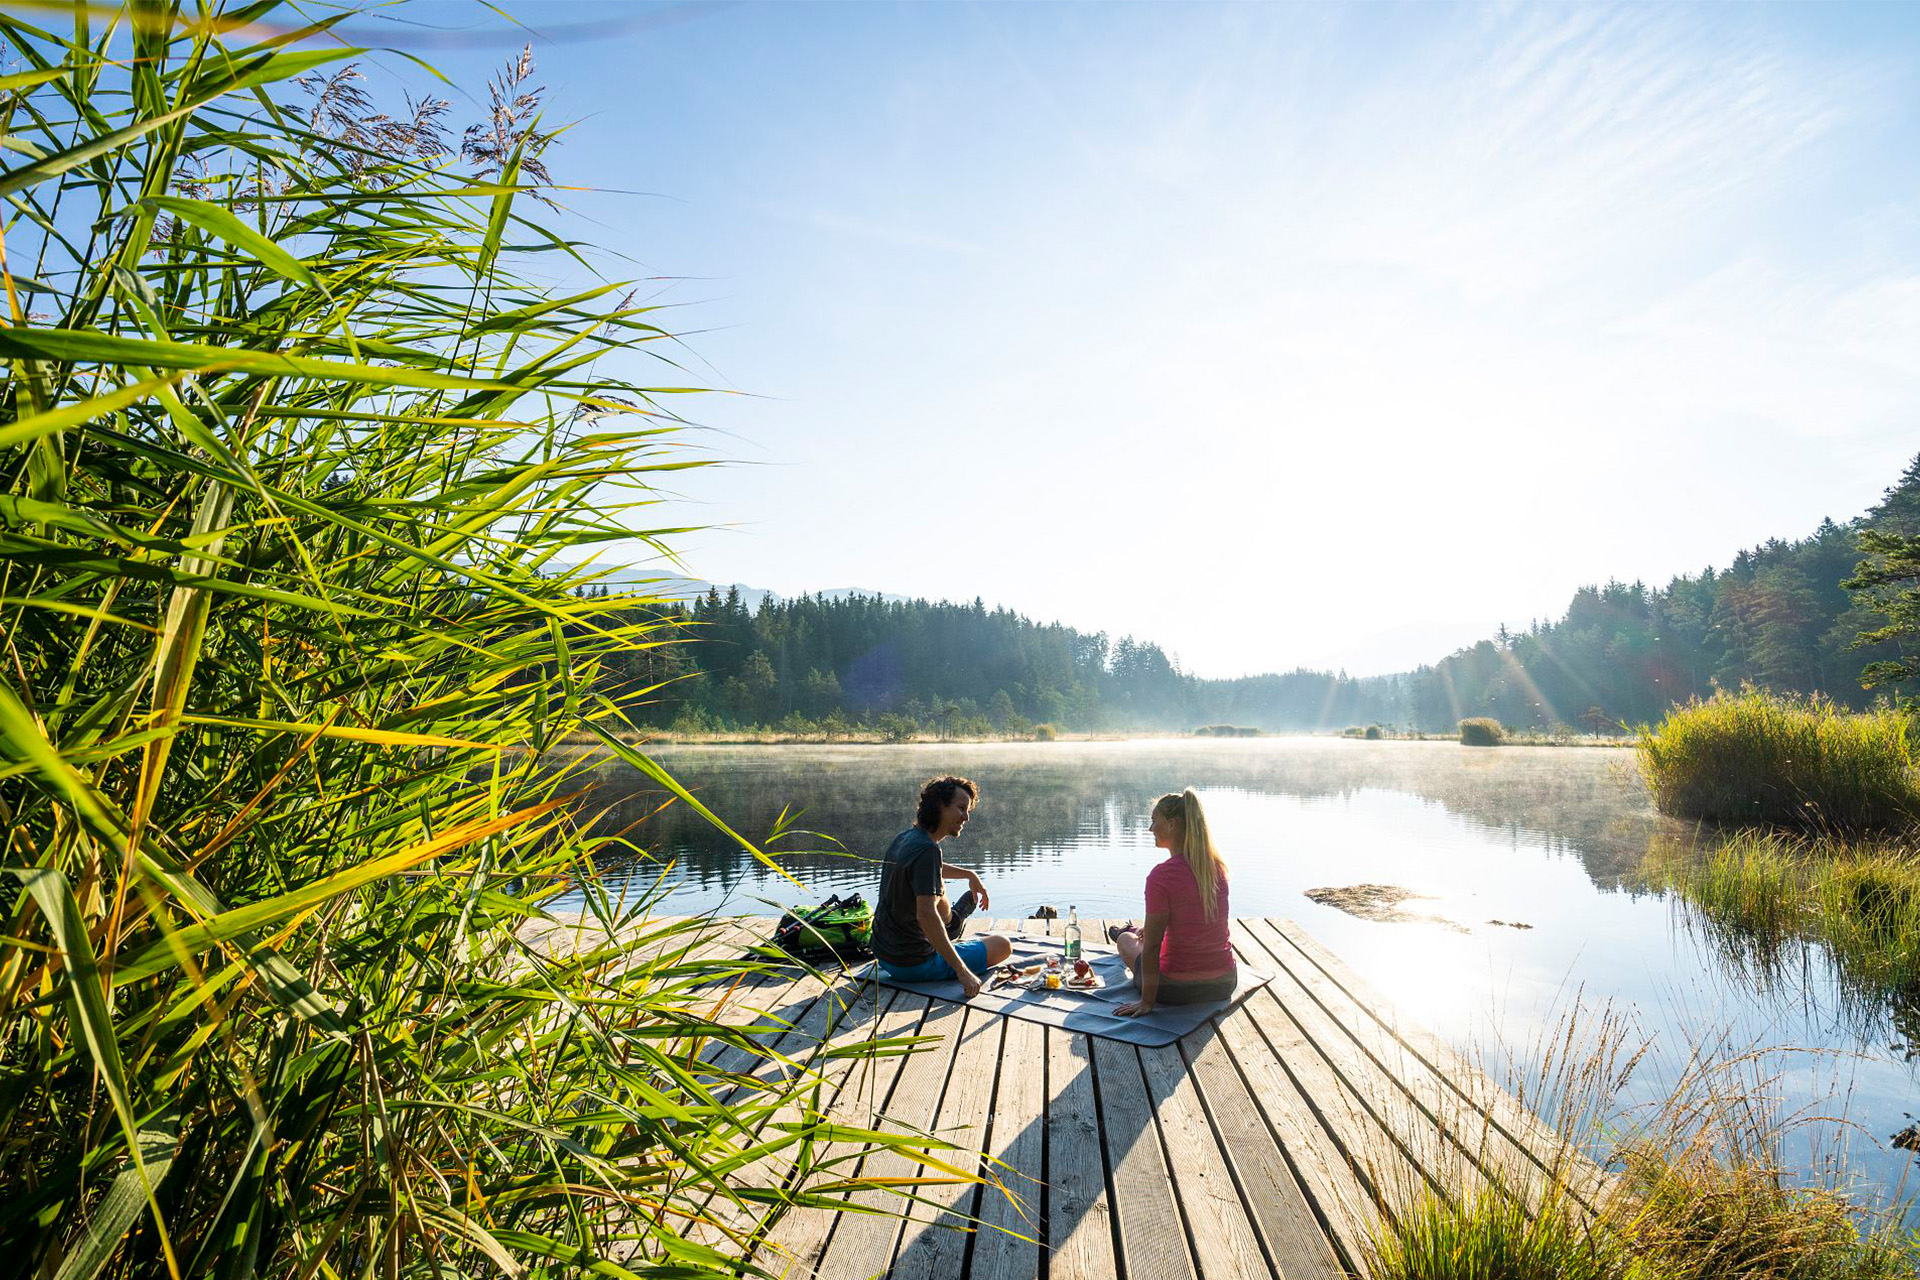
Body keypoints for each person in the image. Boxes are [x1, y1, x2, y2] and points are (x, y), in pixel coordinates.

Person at [872, 775, 1013, 1000]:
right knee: (1002, 945)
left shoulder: (906, 838)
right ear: (940, 806)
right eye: (960, 808)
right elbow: (926, 914)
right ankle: (952, 925)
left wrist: (969, 874)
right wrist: (962, 971)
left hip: (885, 955)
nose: (966, 817)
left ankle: (952, 924)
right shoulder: (928, 850)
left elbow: (927, 869)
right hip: (913, 964)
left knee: (935, 881)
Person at [1112, 788, 1237, 1016]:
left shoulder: (1161, 876)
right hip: (1223, 983)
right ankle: (1138, 930)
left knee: (1125, 940)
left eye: (1154, 821)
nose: (1151, 829)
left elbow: (1151, 948)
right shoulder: (1218, 868)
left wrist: (1146, 1003)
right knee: (1145, 935)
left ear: (1172, 824)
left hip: (1176, 989)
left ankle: (1127, 932)